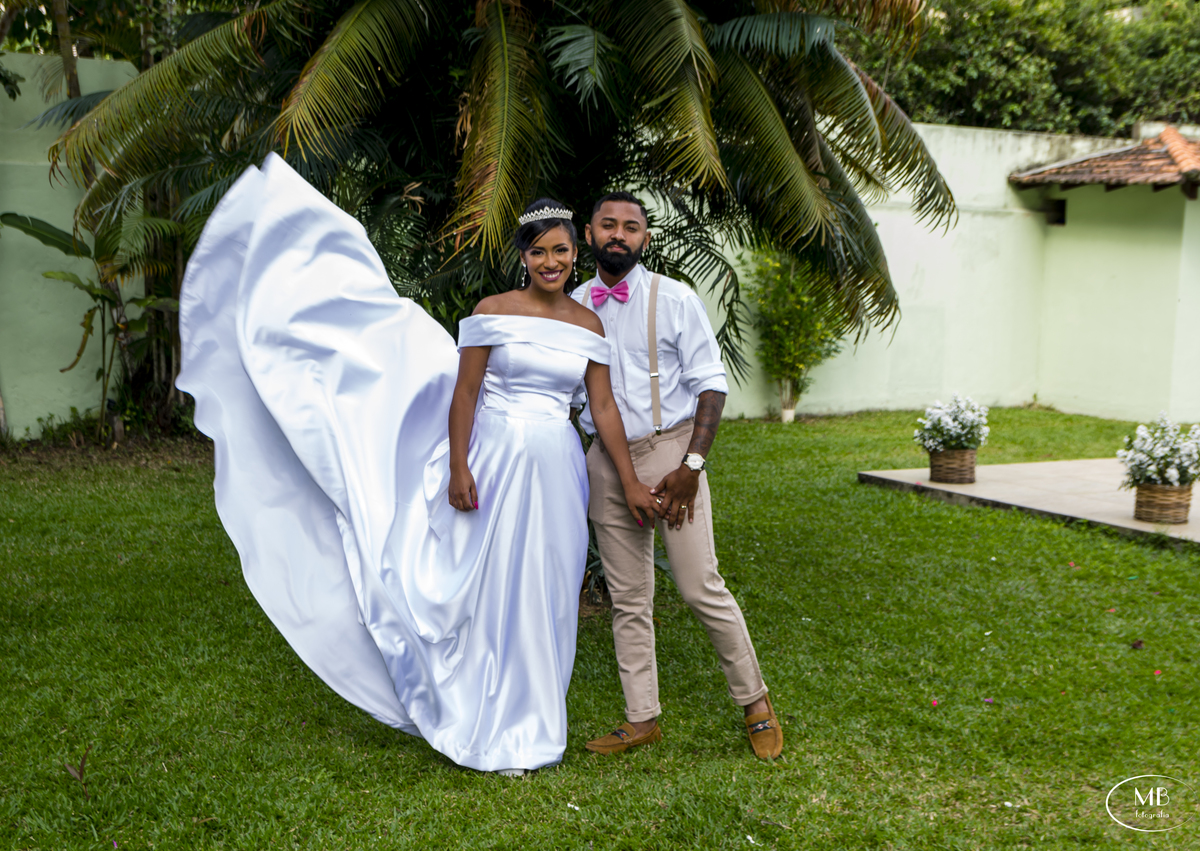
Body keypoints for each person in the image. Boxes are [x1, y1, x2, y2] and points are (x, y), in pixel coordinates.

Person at [176, 153, 655, 775]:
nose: (552, 262)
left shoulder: (589, 323)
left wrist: (631, 480)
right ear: (524, 257)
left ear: (575, 251)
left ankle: (537, 727)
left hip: (556, 472)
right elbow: (464, 395)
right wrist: (459, 467)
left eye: (561, 251)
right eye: (539, 252)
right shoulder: (492, 311)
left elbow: (604, 410)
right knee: (490, 587)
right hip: (496, 460)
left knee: (549, 590)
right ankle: (480, 718)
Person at [572, 192, 783, 760]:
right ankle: (642, 717)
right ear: (588, 233)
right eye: (607, 224)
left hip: (671, 455)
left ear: (645, 238)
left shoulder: (674, 298)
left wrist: (691, 466)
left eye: (631, 227)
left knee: (699, 585)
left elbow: (711, 383)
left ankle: (756, 702)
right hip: (604, 461)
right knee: (628, 597)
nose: (618, 234)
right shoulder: (570, 304)